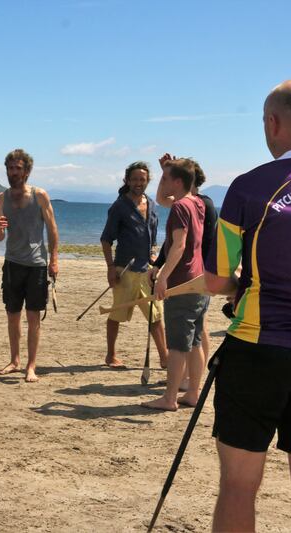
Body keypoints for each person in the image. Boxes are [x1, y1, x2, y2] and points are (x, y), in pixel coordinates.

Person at [206, 78, 291, 531]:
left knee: (240, 484)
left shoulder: (247, 188)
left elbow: (217, 280)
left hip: (257, 347)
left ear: (271, 123)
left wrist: (242, 284)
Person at [142, 158, 207, 411]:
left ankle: (169, 399)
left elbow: (178, 246)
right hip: (198, 282)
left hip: (182, 283)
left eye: (167, 178)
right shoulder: (197, 202)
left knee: (178, 344)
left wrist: (163, 276)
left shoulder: (181, 206)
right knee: (195, 342)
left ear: (178, 182)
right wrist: (165, 171)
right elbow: (161, 198)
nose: (162, 183)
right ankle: (193, 393)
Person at [0, 149, 59, 382]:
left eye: (18, 168)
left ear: (27, 171)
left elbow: (52, 229)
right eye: (10, 168)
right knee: (12, 315)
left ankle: (31, 365)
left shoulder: (39, 195)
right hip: (12, 262)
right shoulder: (1, 199)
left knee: (33, 316)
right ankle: (14, 360)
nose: (13, 172)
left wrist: (54, 259)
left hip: (37, 265)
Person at [100, 161, 167, 369]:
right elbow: (106, 240)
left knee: (155, 316)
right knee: (117, 313)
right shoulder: (119, 206)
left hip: (147, 270)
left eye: (143, 179)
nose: (139, 183)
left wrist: (154, 255)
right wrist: (111, 268)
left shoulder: (152, 204)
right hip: (124, 270)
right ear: (127, 181)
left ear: (148, 181)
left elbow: (153, 236)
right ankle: (111, 355)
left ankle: (165, 358)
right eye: (135, 179)